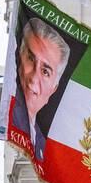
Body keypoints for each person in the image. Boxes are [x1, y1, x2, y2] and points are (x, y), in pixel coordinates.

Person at [11, 16, 72, 161]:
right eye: (31, 59)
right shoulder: (9, 119)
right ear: (19, 58)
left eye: (45, 71)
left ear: (53, 88)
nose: (34, 78)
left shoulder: (44, 148)